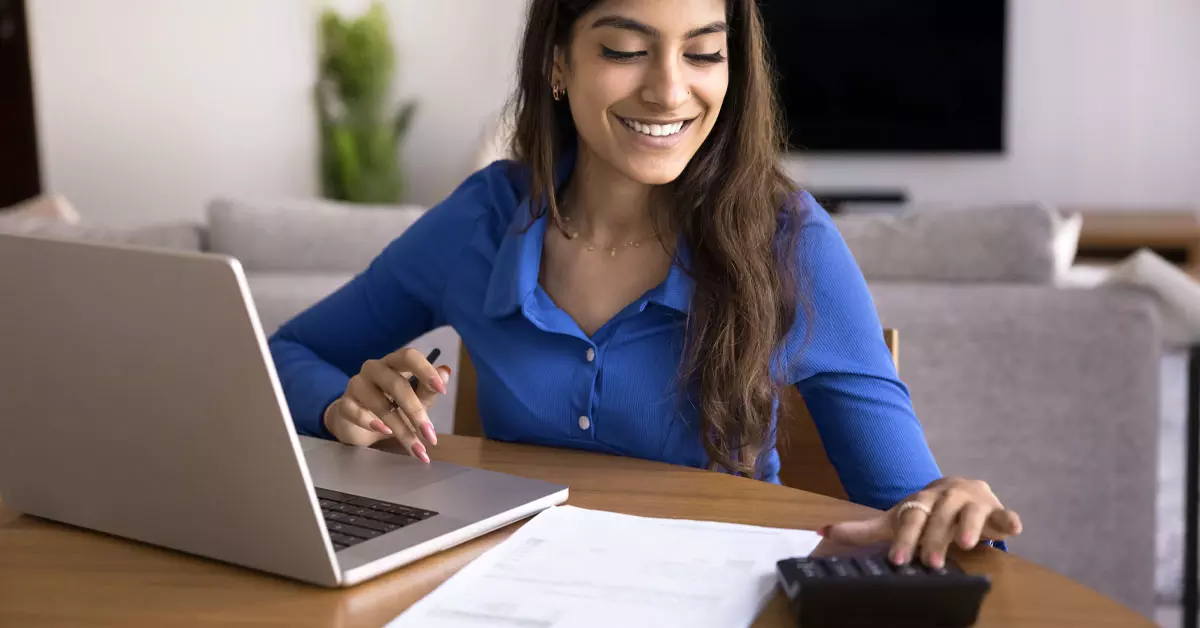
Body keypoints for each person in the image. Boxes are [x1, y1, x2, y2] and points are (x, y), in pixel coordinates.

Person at [269, 0, 1022, 569]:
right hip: (506, 595)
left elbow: (908, 505)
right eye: (625, 50)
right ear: (557, 64)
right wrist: (341, 405)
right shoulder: (483, 217)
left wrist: (947, 509)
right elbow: (281, 355)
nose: (669, 90)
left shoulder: (791, 242)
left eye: (704, 53)